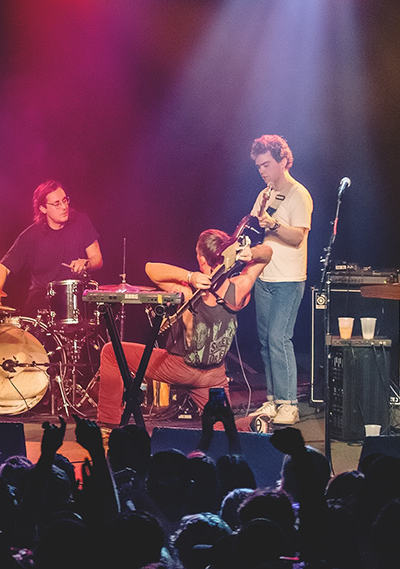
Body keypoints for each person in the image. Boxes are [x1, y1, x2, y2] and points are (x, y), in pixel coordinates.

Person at [96, 229, 272, 426]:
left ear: (202, 260)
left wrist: (190, 276)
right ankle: (251, 424)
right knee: (222, 428)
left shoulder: (188, 291)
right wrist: (251, 254)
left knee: (111, 352)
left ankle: (109, 422)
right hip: (213, 378)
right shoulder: (238, 288)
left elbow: (150, 269)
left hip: (179, 368)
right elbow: (267, 254)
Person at [246, 135, 313, 425]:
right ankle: (273, 400)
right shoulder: (264, 194)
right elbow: (252, 227)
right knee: (265, 341)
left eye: (266, 164)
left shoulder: (299, 194)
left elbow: (298, 236)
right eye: (258, 166)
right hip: (265, 277)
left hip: (288, 279)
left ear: (283, 160)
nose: (262, 170)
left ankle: (290, 404)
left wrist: (272, 223)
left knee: (278, 338)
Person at [0, 180, 103, 315]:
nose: (64, 207)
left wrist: (85, 263)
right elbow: (3, 267)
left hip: (75, 302)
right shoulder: (30, 236)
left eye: (65, 200)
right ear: (43, 208)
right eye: (57, 204)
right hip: (40, 304)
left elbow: (97, 259)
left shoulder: (81, 222)